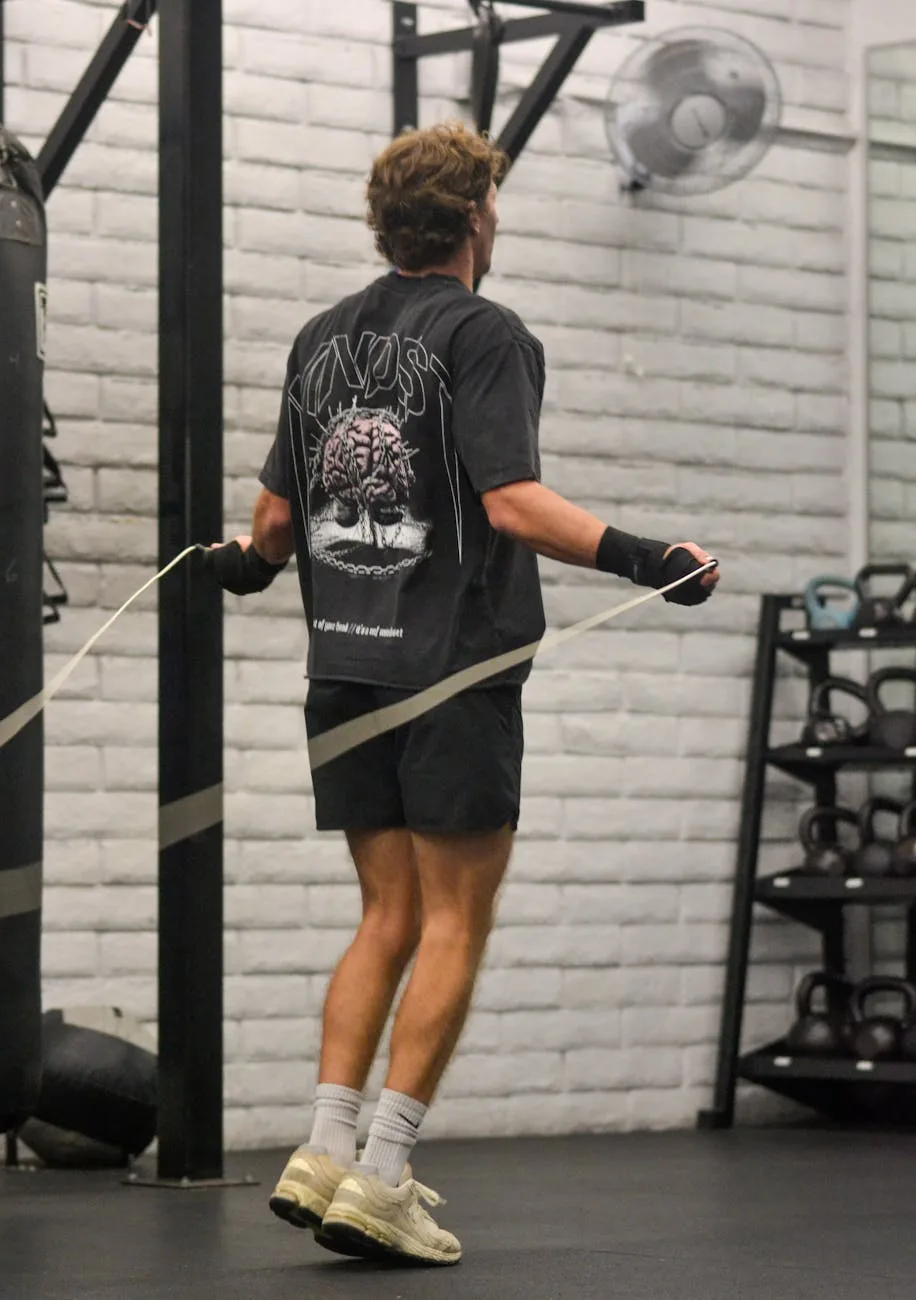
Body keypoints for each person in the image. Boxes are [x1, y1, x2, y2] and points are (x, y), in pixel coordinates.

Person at [204, 120, 720, 1267]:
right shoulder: (484, 332)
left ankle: (323, 1149)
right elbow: (512, 504)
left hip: (343, 674)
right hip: (451, 677)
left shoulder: (317, 334)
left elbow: (274, 528)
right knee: (451, 920)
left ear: (382, 221)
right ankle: (382, 1173)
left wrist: (246, 566)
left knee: (383, 916)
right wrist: (653, 556)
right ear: (478, 217)